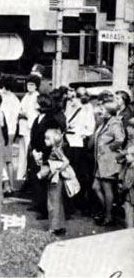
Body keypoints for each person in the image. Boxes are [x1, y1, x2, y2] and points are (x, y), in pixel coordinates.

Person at [27, 94, 67, 220]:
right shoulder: (37, 118)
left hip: (45, 153)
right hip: (36, 152)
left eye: (37, 102)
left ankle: (44, 210)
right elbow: (34, 136)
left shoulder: (50, 120)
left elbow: (51, 139)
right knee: (35, 178)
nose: (35, 104)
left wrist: (42, 153)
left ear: (42, 105)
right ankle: (38, 204)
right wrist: (33, 150)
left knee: (44, 181)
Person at [92, 92, 125, 226]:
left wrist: (110, 148)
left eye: (103, 110)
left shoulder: (115, 123)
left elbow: (120, 139)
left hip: (108, 161)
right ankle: (109, 210)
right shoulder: (107, 122)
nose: (101, 111)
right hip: (101, 161)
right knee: (95, 187)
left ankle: (109, 216)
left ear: (109, 111)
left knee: (107, 189)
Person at [37, 129, 78, 236]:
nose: (45, 141)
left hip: (55, 177)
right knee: (57, 201)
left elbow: (66, 161)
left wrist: (58, 169)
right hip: (56, 177)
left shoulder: (56, 150)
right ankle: (60, 225)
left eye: (47, 138)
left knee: (52, 201)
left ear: (54, 141)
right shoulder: (55, 149)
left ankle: (53, 227)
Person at [63, 87, 96, 215]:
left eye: (75, 96)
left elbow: (90, 127)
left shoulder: (87, 108)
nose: (72, 98)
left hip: (78, 143)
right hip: (68, 141)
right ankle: (70, 201)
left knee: (78, 172)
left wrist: (83, 134)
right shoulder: (69, 105)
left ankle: (78, 200)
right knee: (69, 171)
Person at [18, 75, 41, 182]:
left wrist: (25, 114)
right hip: (23, 127)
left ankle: (29, 177)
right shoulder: (26, 96)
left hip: (30, 127)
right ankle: (22, 176)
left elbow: (34, 114)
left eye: (32, 85)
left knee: (29, 152)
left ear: (36, 86)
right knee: (22, 153)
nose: (29, 86)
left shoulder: (37, 96)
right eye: (28, 84)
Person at [120, 144, 134, 228]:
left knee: (129, 215)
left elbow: (127, 184)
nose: (126, 157)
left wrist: (121, 187)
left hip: (130, 196)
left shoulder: (131, 168)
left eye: (128, 155)